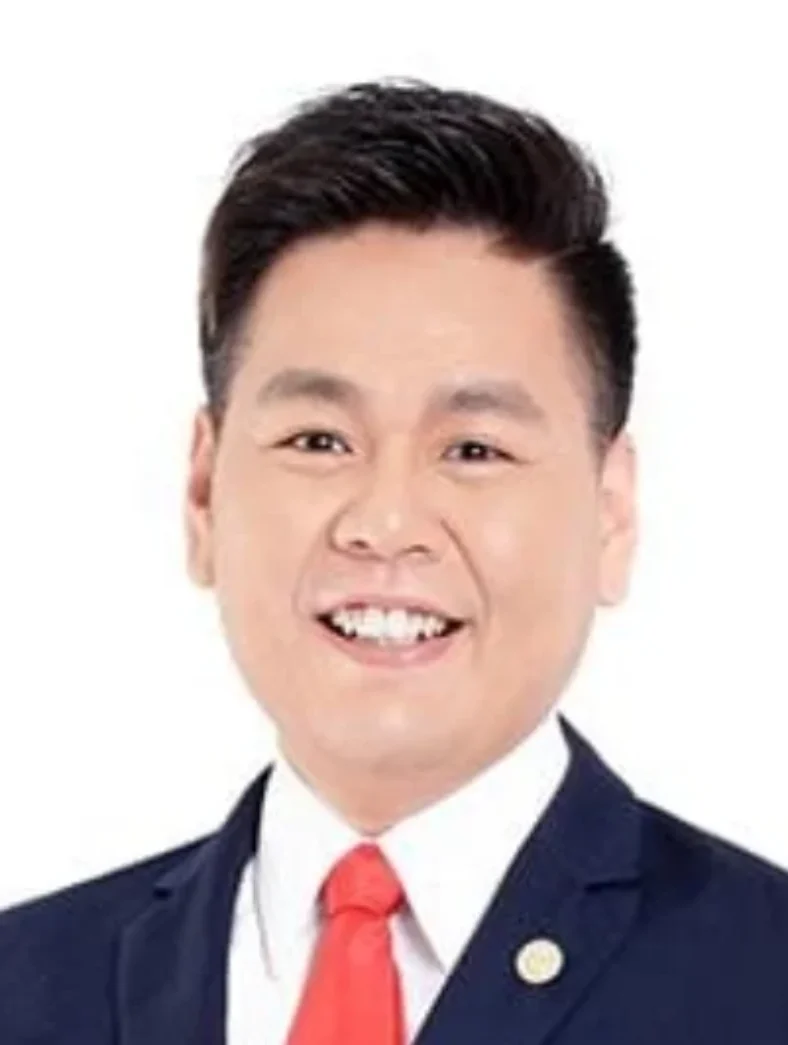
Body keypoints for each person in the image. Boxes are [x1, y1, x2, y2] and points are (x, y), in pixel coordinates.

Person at [1, 76, 787, 1045]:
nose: (384, 521)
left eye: (474, 449)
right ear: (203, 492)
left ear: (610, 513)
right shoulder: (24, 986)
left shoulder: (764, 978)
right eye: (318, 440)